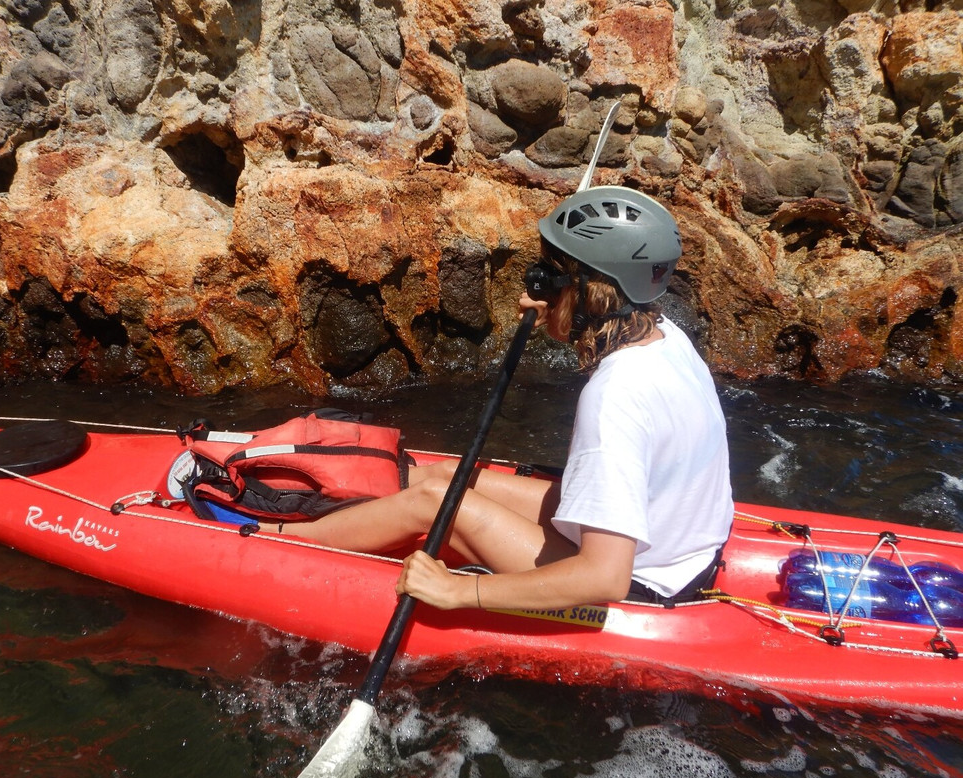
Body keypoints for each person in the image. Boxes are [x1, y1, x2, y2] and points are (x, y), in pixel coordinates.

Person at [254, 184, 733, 612]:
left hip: (643, 582)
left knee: (440, 500)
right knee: (447, 474)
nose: (535, 284)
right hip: (679, 546)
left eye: (550, 276)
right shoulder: (666, 335)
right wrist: (559, 307)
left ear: (587, 292)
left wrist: (461, 592)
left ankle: (280, 542)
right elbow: (600, 319)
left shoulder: (614, 397)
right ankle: (332, 502)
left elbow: (605, 577)